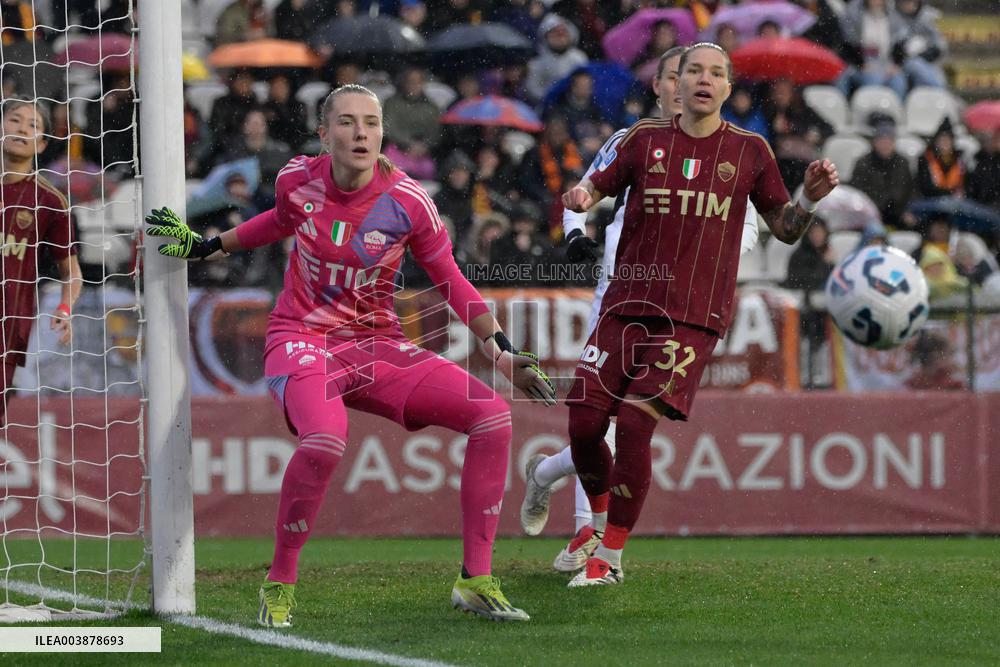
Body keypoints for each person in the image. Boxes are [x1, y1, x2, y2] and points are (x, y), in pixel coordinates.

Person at [146, 84, 556, 625]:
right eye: (346, 122)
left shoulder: (408, 202)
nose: (361, 133)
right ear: (324, 134)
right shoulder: (297, 178)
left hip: (378, 344)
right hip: (301, 338)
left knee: (493, 417)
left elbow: (452, 280)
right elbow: (280, 220)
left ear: (383, 133)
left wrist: (501, 352)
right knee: (324, 440)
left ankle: (475, 580)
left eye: (371, 122)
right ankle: (279, 583)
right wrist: (209, 245)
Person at [560, 43, 837, 586]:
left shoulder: (750, 151)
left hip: (691, 316)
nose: (704, 80)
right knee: (584, 424)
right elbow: (599, 182)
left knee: (634, 425)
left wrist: (807, 200)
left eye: (715, 73)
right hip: (625, 304)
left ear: (728, 88)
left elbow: (785, 227)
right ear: (677, 83)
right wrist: (583, 196)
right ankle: (596, 522)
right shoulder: (643, 140)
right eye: (694, 71)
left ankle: (609, 557)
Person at [520, 46, 762, 571]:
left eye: (694, 76)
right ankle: (586, 527)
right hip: (617, 293)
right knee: (593, 422)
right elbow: (582, 192)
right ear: (658, 87)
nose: (683, 86)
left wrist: (713, 258)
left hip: (679, 302)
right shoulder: (631, 141)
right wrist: (575, 236)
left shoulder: (729, 154)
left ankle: (557, 488)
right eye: (675, 76)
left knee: (625, 423)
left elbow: (746, 223)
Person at [0, 98, 82, 425]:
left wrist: (65, 308)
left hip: (6, 327)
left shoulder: (50, 201)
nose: (22, 129)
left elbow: (71, 271)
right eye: (14, 120)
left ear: (42, 144)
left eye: (33, 125)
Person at [850, 120, 915, 229]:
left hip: (897, 214)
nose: (885, 145)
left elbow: (910, 191)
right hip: (870, 214)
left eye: (888, 141)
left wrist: (904, 211)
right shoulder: (863, 163)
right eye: (881, 140)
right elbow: (857, 193)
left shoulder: (903, 163)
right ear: (874, 142)